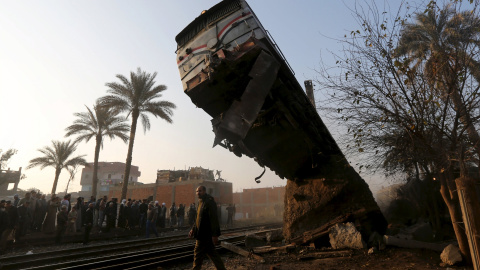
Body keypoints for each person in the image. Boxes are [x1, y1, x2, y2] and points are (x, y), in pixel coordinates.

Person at [189, 186, 226, 270]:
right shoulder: (200, 202)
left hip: (206, 234)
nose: (198, 193)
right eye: (197, 191)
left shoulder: (209, 202)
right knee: (212, 255)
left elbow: (214, 219)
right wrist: (193, 229)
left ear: (204, 191)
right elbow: (197, 218)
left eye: (200, 191)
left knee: (198, 255)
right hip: (201, 234)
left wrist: (215, 235)